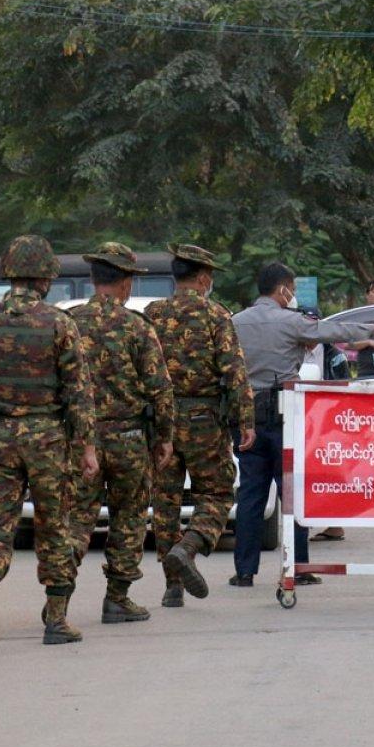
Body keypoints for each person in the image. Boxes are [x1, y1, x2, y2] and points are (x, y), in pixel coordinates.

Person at [0, 235, 98, 653]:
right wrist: (86, 447)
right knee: (55, 526)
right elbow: (79, 392)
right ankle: (57, 619)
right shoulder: (59, 323)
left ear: (9, 274)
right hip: (48, 440)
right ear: (46, 278)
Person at [230, 262, 374, 586]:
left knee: (250, 494)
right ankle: (299, 568)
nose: (293, 295)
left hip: (246, 415)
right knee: (292, 493)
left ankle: (245, 572)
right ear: (282, 289)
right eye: (291, 289)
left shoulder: (235, 322)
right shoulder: (291, 321)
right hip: (284, 415)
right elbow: (334, 332)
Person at [68, 243, 176, 622]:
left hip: (81, 441)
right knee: (129, 517)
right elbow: (160, 388)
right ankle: (117, 598)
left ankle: (57, 601)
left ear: (92, 279)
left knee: (77, 519)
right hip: (129, 438)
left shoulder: (69, 323)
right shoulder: (137, 327)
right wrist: (165, 437)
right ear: (126, 283)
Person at [146, 244, 255, 605]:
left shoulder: (153, 313)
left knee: (165, 502)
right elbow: (234, 371)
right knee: (218, 493)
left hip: (161, 419)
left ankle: (172, 586)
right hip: (203, 419)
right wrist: (246, 419)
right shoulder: (215, 314)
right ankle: (190, 546)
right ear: (204, 278)